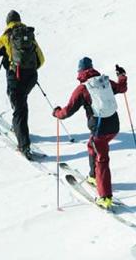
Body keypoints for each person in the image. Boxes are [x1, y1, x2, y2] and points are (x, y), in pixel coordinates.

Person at [52, 58, 127, 209]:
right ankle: (93, 176)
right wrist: (122, 75)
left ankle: (105, 197)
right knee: (92, 146)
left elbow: (67, 111)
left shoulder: (82, 89)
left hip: (100, 129)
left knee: (102, 159)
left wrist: (57, 113)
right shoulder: (104, 82)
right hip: (114, 126)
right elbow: (121, 88)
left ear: (80, 72)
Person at [0, 10, 45, 159]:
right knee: (21, 103)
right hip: (31, 77)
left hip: (15, 78)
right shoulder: (29, 36)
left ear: (7, 22)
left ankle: (24, 146)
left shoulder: (5, 38)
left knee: (19, 109)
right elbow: (41, 60)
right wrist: (29, 70)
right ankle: (19, 129)